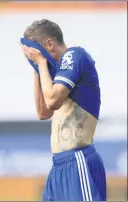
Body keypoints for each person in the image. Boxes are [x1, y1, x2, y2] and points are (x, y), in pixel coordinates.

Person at [21, 19, 106, 201]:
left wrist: (42, 63)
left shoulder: (75, 55)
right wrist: (37, 68)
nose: (35, 59)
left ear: (49, 44)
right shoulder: (56, 72)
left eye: (36, 53)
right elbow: (43, 113)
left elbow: (52, 100)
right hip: (59, 166)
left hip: (78, 161)